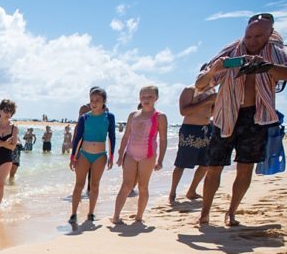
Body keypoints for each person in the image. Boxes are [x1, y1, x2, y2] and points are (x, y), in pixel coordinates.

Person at [195, 13, 287, 226]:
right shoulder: (230, 52)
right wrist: (215, 71)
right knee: (214, 167)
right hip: (225, 115)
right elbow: (200, 84)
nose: (252, 41)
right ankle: (204, 214)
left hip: (256, 117)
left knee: (245, 167)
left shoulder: (276, 52)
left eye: (258, 36)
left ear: (269, 34)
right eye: (249, 36)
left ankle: (231, 212)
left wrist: (266, 67)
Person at [112, 86, 168, 224]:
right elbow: (126, 137)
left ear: (156, 98)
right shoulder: (133, 115)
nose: (146, 99)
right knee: (126, 185)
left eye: (149, 97)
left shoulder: (160, 117)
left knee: (143, 186)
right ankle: (116, 216)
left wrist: (160, 159)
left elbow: (163, 139)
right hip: (130, 154)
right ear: (139, 98)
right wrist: (120, 155)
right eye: (143, 97)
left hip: (147, 156)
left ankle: (139, 216)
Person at [68, 87, 116, 224]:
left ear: (104, 102)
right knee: (79, 185)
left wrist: (111, 156)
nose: (94, 103)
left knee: (94, 185)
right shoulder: (84, 117)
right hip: (83, 155)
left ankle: (91, 213)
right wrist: (73, 157)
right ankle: (73, 214)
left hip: (100, 156)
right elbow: (77, 138)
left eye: (97, 100)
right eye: (91, 100)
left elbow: (112, 137)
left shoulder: (110, 117)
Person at [169, 65, 216, 204]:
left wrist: (213, 103)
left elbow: (211, 112)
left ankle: (192, 190)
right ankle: (172, 193)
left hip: (206, 129)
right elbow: (183, 111)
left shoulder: (213, 91)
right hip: (190, 129)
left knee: (205, 163)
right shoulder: (190, 90)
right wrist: (206, 101)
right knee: (181, 163)